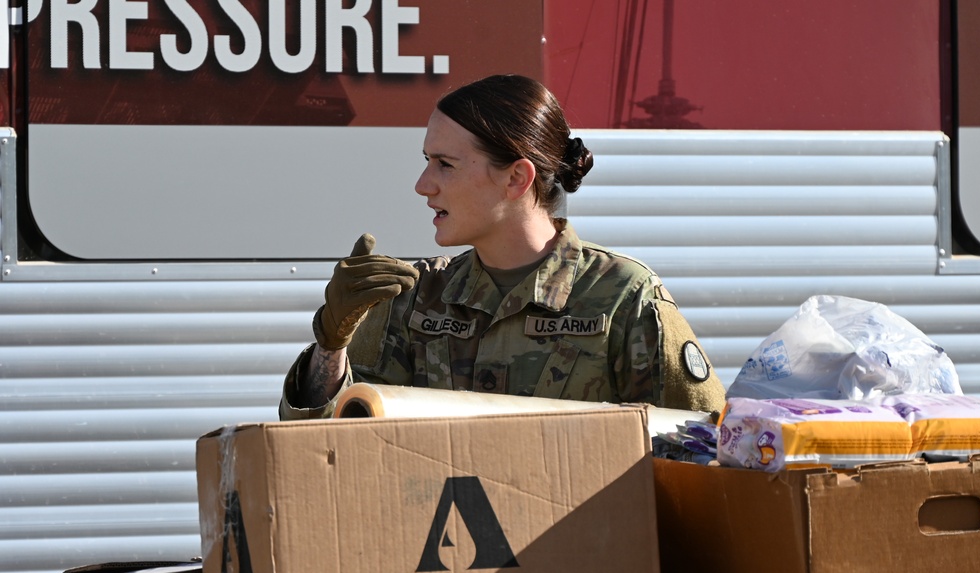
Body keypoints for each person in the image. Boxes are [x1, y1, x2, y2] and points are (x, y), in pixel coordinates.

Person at [279, 73, 725, 420]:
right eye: (426, 161)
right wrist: (331, 343)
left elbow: (701, 448)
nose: (422, 185)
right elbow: (330, 448)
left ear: (516, 177)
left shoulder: (624, 299)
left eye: (445, 164)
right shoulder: (416, 297)